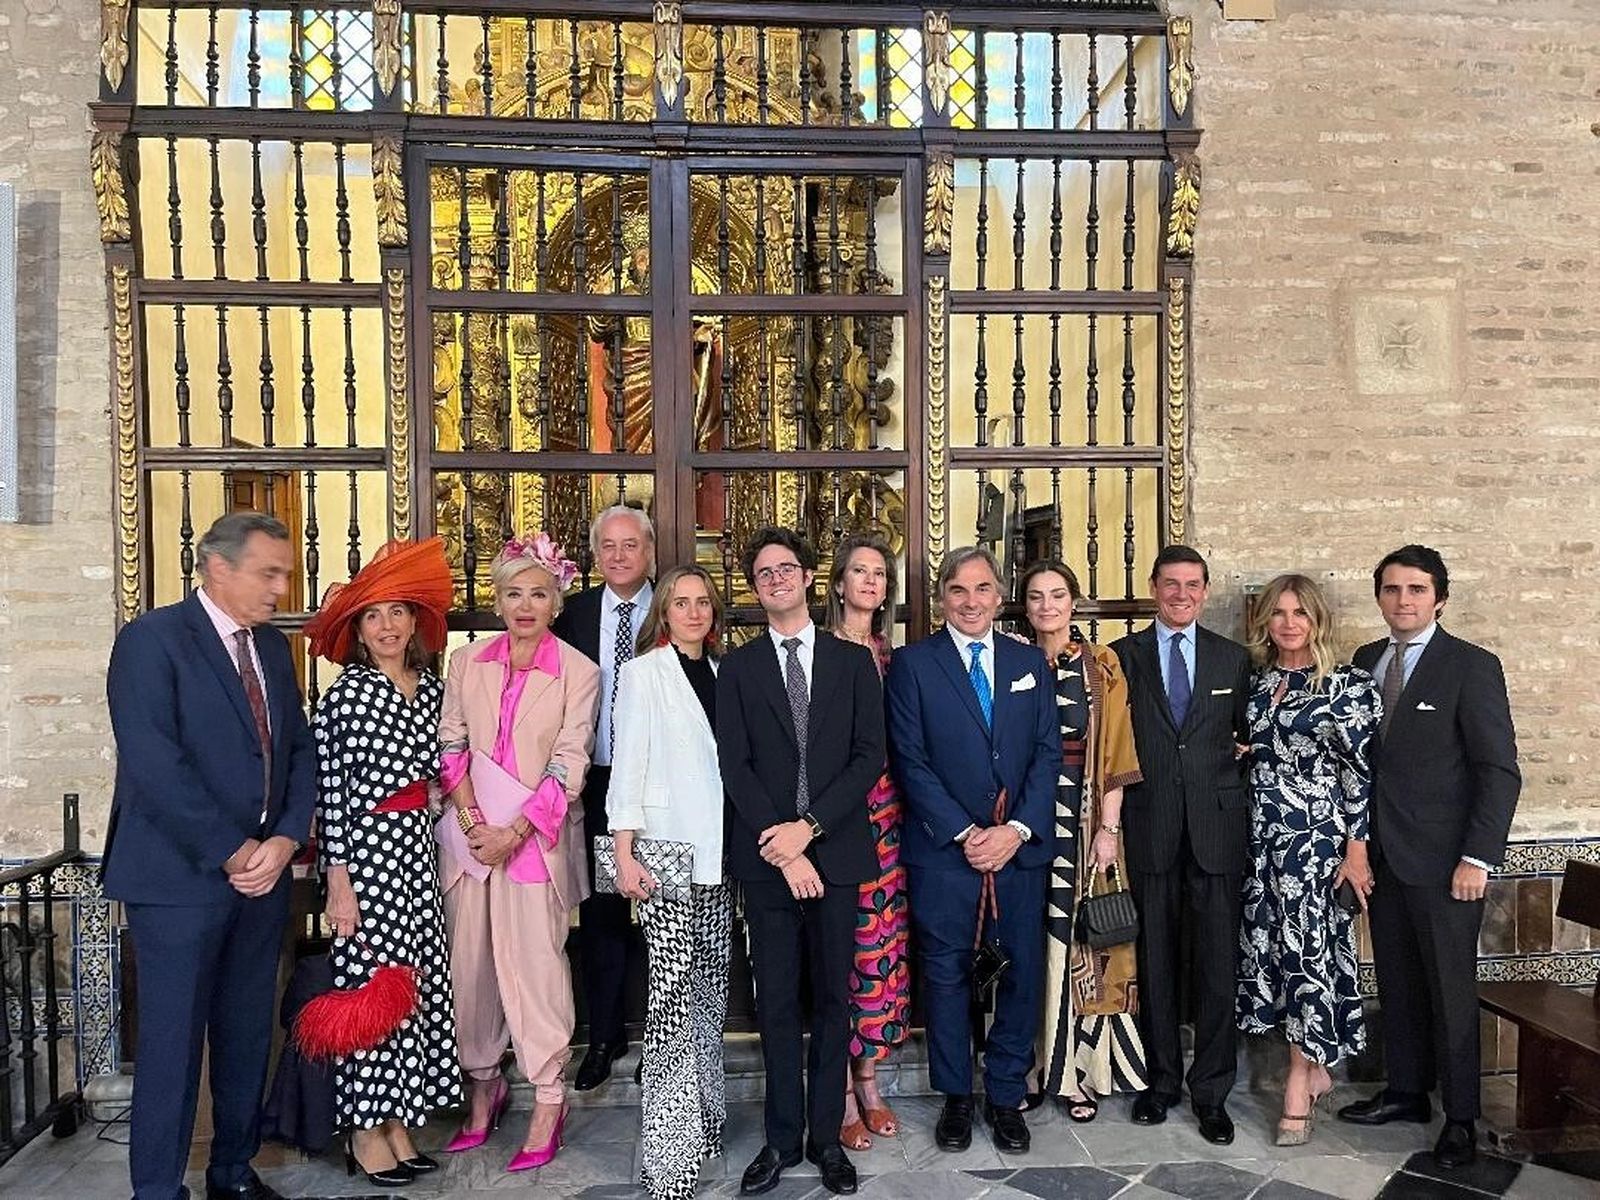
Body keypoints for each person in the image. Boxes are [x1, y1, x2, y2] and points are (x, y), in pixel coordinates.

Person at [104, 511, 315, 1200]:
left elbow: (299, 753)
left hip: (262, 880)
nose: (282, 587)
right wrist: (231, 850)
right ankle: (158, 1190)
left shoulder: (274, 650)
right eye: (270, 573)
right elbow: (153, 763)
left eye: (285, 573)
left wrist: (284, 839)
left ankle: (232, 1171)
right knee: (170, 1046)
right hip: (178, 881)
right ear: (218, 568)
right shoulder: (152, 641)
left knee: (246, 1033)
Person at [1337, 546, 1520, 1169]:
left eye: (1416, 590)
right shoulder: (1366, 662)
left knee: (1449, 990)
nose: (1403, 601)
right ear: (1379, 597)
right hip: (1382, 860)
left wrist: (1478, 857)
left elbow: (1498, 771)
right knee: (1398, 982)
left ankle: (1462, 1118)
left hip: (1447, 866)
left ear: (1439, 598)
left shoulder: (1471, 667)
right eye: (1391, 590)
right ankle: (1407, 1092)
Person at [717, 527, 885, 1197]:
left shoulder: (851, 662)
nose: (776, 579)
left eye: (787, 568)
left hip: (836, 854)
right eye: (763, 573)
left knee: (834, 1002)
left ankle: (826, 1139)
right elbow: (737, 764)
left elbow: (867, 757)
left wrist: (808, 830)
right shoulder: (740, 667)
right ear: (755, 589)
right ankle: (781, 1140)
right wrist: (783, 849)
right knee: (778, 1003)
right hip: (767, 864)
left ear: (811, 578)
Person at [885, 546, 1061, 1157]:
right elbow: (910, 759)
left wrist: (1014, 831)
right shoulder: (912, 665)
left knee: (1018, 973)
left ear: (998, 595)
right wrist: (966, 833)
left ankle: (1007, 1095)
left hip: (1018, 852)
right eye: (958, 591)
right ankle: (957, 1097)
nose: (971, 601)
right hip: (945, 853)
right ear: (942, 598)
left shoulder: (1027, 661)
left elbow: (1046, 752)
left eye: (982, 589)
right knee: (947, 974)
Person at [437, 532, 600, 1173]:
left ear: (556, 601)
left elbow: (569, 762)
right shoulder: (467, 662)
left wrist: (515, 831)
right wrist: (475, 818)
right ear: (498, 600)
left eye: (538, 593)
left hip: (533, 845)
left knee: (535, 971)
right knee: (470, 969)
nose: (525, 605)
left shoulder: (579, 672)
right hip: (471, 841)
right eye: (513, 593)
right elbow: (449, 741)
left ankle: (547, 1098)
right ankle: (484, 1086)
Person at [301, 538, 462, 1185]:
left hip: (417, 857)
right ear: (358, 631)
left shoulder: (434, 691)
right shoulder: (345, 697)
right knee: (370, 994)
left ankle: (399, 1123)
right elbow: (330, 795)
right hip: (364, 860)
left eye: (397, 612)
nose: (389, 626)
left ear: (413, 621)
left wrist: (438, 794)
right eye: (374, 616)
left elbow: (446, 773)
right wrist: (338, 885)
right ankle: (365, 1131)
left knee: (412, 993)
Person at [1110, 544, 1251, 1146]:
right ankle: (1162, 1081)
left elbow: (1253, 738)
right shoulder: (1121, 658)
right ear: (1153, 587)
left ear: (1205, 590)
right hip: (1150, 829)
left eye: (1193, 585)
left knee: (1219, 970)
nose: (1181, 595)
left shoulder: (1234, 659)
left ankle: (1212, 1092)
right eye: (1170, 584)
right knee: (1157, 965)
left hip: (1217, 834)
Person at [1234, 574, 1380, 1147]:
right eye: (1278, 613)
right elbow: (1254, 749)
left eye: (1300, 612)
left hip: (1315, 844)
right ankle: (1316, 1067)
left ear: (1318, 620)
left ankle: (1299, 1080)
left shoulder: (1346, 686)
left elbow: (1360, 774)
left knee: (1306, 959)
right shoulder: (1256, 684)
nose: (1289, 623)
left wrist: (1357, 850)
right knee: (1272, 956)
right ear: (1265, 621)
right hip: (1260, 843)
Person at [607, 565, 731, 1200]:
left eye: (702, 602)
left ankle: (704, 1118)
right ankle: (668, 1156)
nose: (692, 611)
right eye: (680, 603)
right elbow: (626, 763)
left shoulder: (721, 670)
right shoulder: (642, 672)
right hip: (663, 853)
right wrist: (623, 852)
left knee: (710, 993)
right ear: (664, 611)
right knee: (675, 1001)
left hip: (717, 853)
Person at [1019, 559, 1147, 1122]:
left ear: (1074, 602)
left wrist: (1109, 831)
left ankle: (1078, 1073)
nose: (1048, 606)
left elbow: (1118, 752)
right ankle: (1025, 1067)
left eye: (1057, 595)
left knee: (1083, 944)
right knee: (1026, 941)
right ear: (1024, 606)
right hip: (1024, 817)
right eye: (1037, 597)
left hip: (1084, 812)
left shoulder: (1102, 665)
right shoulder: (1011, 660)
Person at [551, 504, 654, 1091]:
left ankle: (661, 1040)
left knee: (665, 910)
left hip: (655, 781)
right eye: (607, 547)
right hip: (594, 777)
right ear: (596, 555)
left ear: (648, 551)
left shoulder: (670, 608)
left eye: (630, 545)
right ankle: (606, 1035)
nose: (618, 556)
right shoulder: (577, 614)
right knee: (602, 913)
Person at [823, 533, 910, 1151]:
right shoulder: (819, 651)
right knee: (842, 949)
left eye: (880, 573)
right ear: (837, 583)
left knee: (883, 947)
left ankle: (870, 1078)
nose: (871, 582)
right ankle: (844, 1092)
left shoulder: (893, 655)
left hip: (890, 820)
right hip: (836, 817)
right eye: (860, 571)